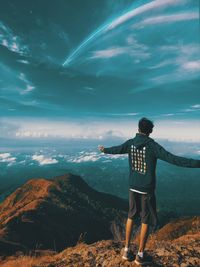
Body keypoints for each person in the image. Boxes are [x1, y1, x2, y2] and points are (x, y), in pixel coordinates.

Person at [98, 117, 200, 265]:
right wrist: (197, 163)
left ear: (138, 128)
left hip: (133, 186)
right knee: (146, 219)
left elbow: (116, 149)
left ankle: (126, 251)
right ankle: (140, 255)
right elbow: (173, 159)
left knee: (131, 216)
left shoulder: (130, 143)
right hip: (146, 189)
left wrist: (104, 150)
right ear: (150, 131)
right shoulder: (152, 146)